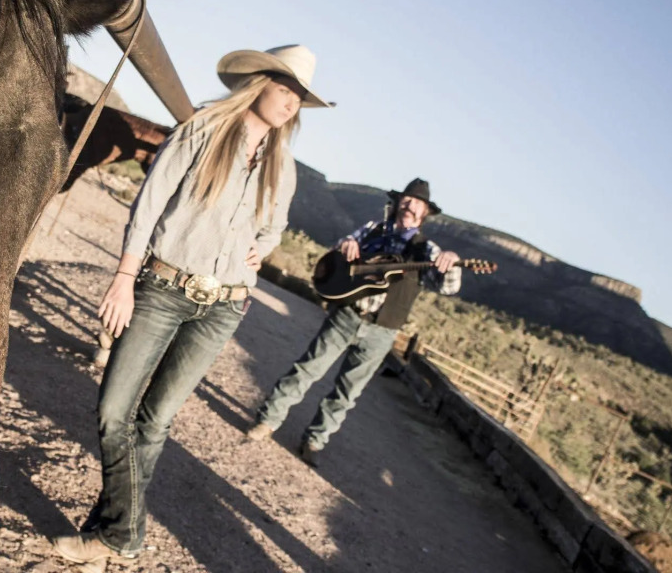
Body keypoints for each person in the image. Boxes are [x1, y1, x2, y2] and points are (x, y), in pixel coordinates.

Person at [51, 45, 333, 569]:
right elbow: (150, 202)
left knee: (155, 422)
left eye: (300, 97)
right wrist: (123, 280)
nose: (293, 103)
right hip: (162, 288)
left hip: (223, 308)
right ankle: (125, 534)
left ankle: (106, 533)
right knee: (115, 411)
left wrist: (264, 249)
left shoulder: (283, 164)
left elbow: (274, 226)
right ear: (259, 83)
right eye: (287, 89)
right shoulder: (201, 131)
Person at [247, 178, 461, 467]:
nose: (410, 206)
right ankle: (267, 421)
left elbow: (446, 286)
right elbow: (340, 250)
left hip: (382, 332)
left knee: (347, 393)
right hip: (347, 315)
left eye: (417, 204)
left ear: (425, 213)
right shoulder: (373, 229)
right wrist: (346, 244)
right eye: (407, 200)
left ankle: (314, 441)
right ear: (398, 203)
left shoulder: (427, 251)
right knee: (307, 369)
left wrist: (451, 260)